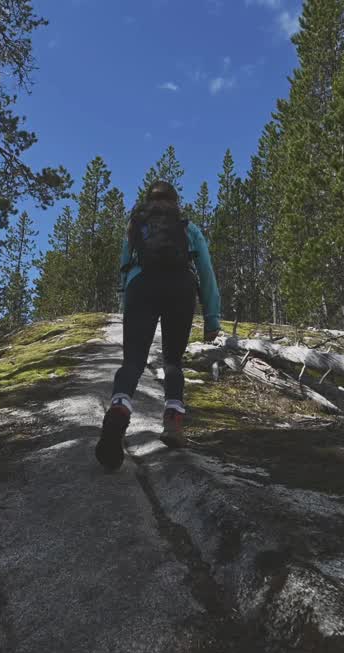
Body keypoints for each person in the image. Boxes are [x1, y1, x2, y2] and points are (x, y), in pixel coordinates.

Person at [95, 180, 220, 470]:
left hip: (142, 286)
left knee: (133, 362)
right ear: (175, 201)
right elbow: (207, 272)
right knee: (173, 361)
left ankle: (120, 407)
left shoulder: (136, 225)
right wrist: (212, 318)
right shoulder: (188, 228)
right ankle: (173, 423)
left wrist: (127, 307)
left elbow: (125, 269)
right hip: (181, 286)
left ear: (149, 201)